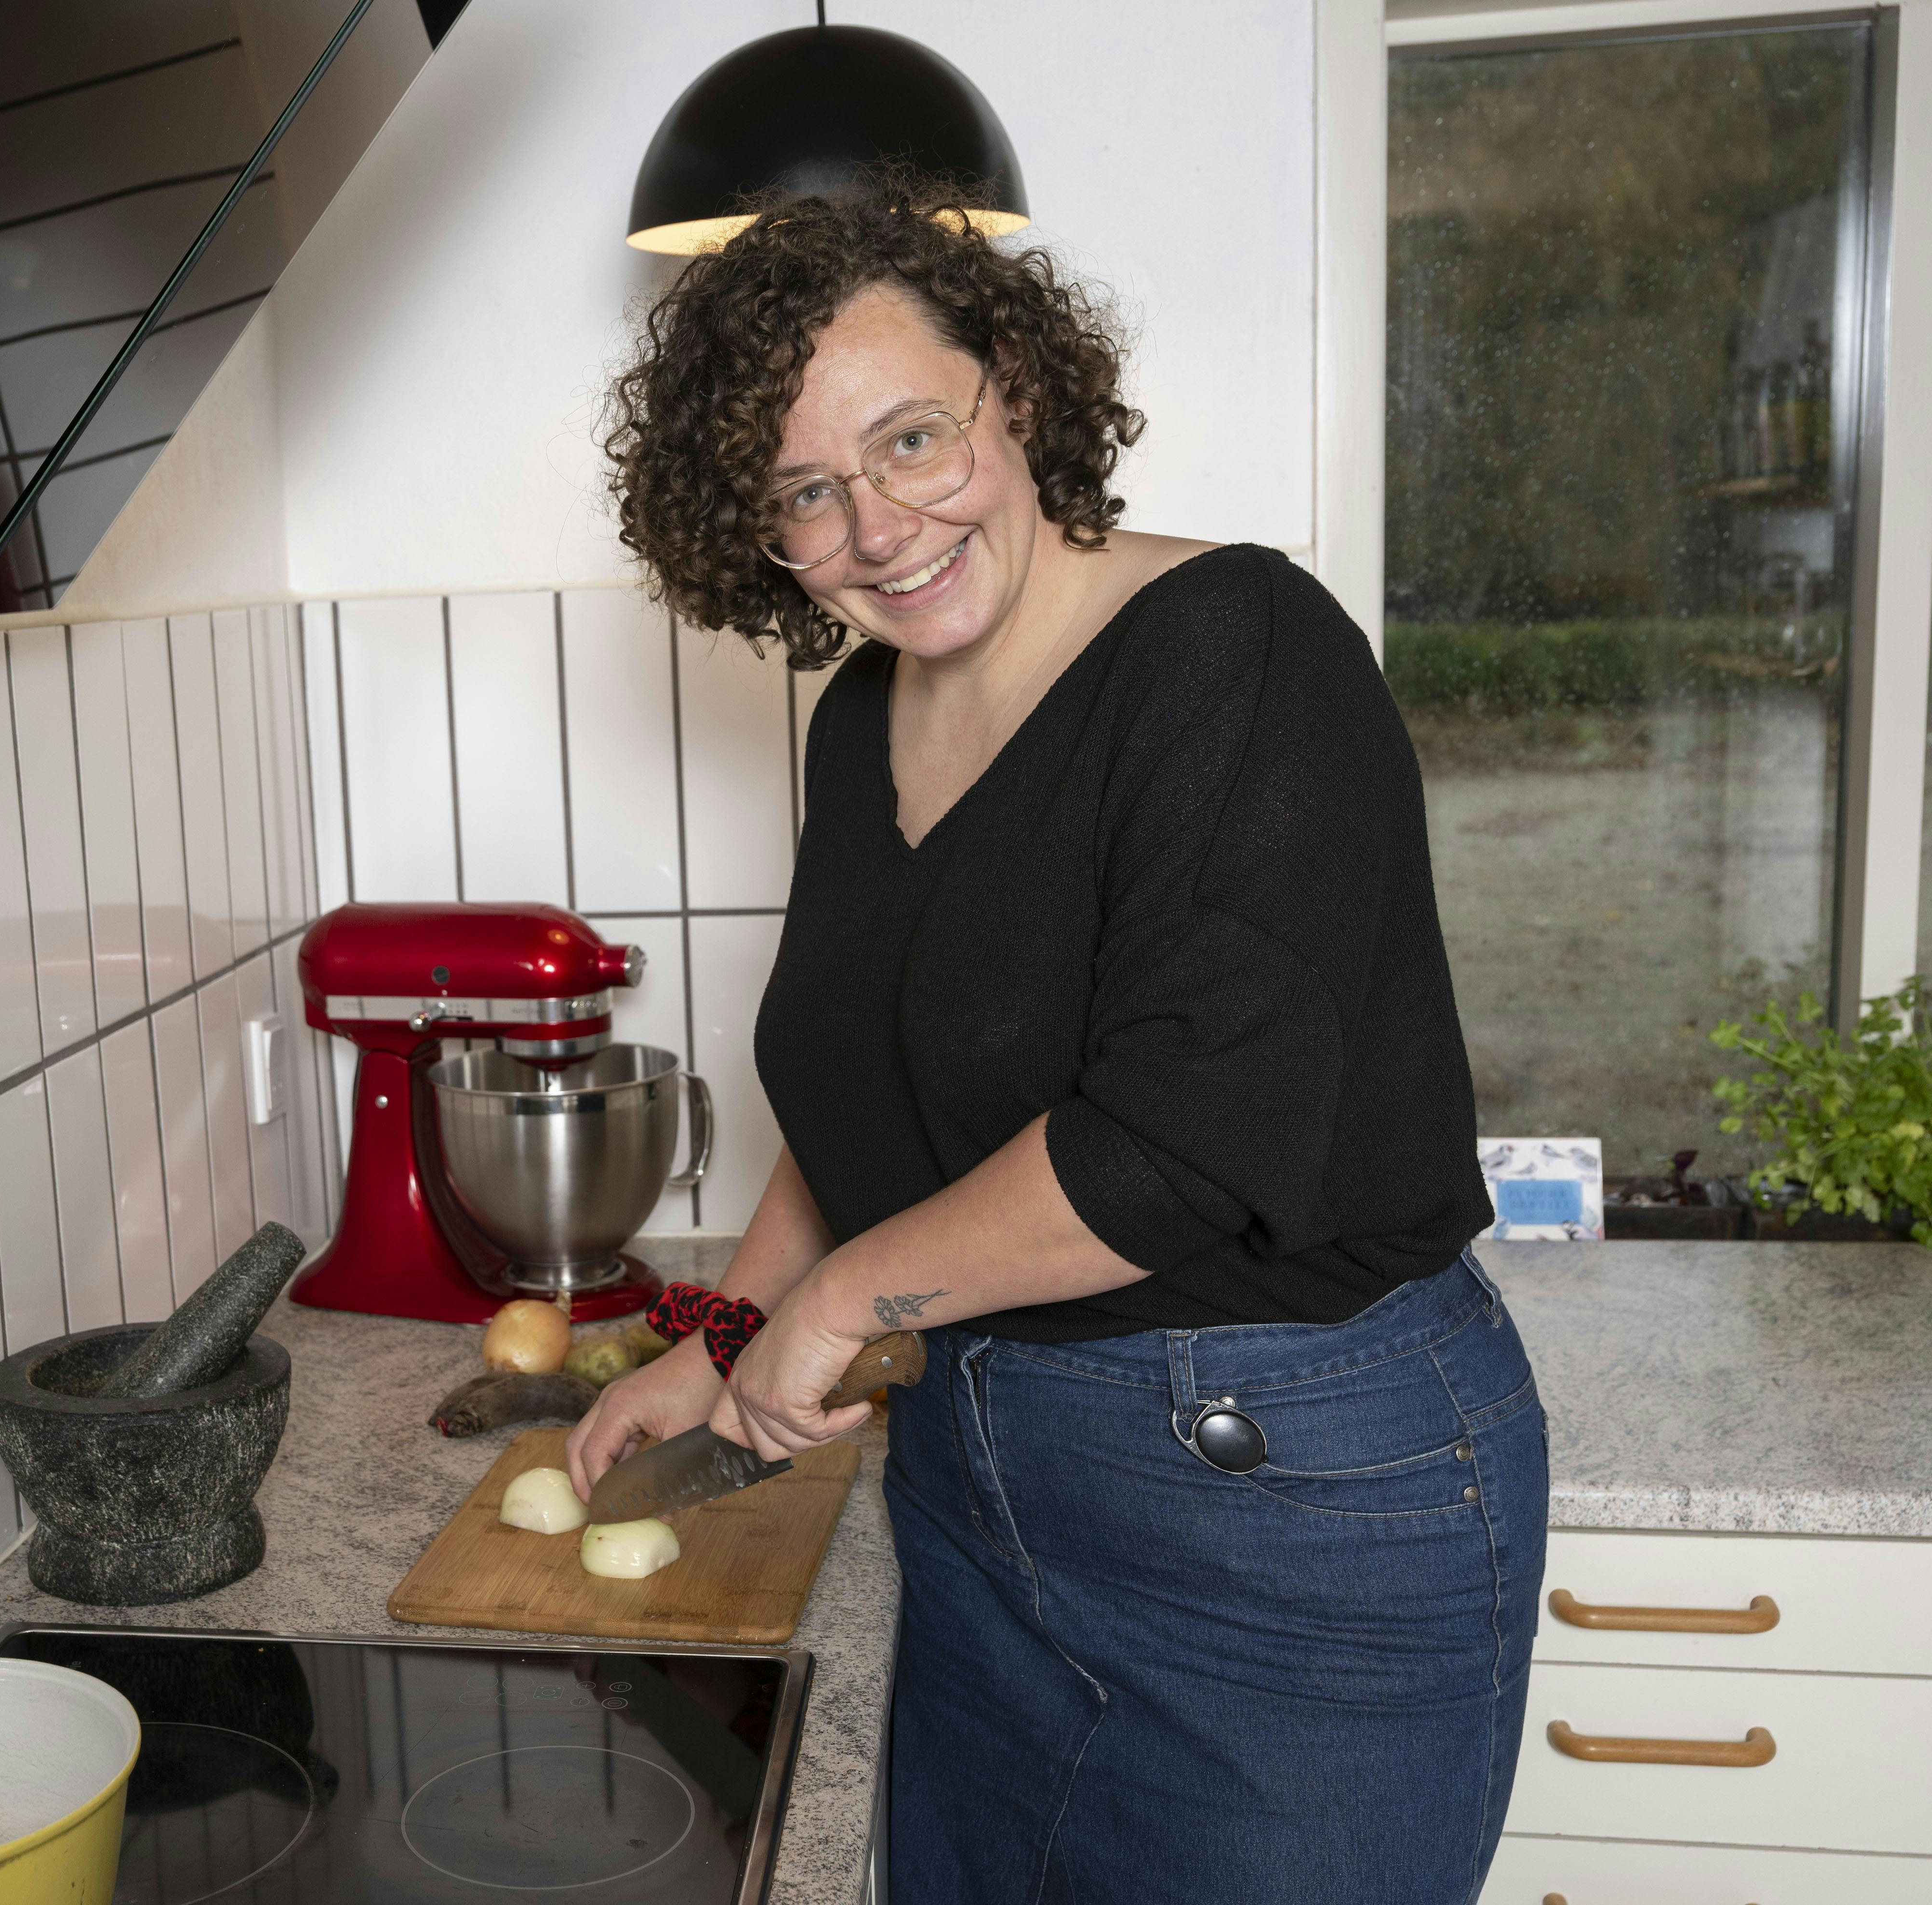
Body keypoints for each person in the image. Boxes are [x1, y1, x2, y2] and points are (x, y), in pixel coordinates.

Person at [565, 172, 1548, 1905]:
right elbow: (868, 1091)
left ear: (1015, 390)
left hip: (1291, 1507)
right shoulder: (865, 711)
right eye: (805, 492)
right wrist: (725, 1337)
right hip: (980, 1497)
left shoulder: (1241, 651)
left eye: (913, 441)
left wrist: (836, 1310)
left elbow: (1177, 1141)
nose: (875, 531)